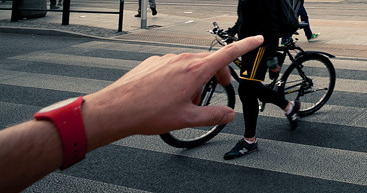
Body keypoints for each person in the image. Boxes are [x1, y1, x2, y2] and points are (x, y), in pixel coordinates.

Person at [0, 33, 265, 192]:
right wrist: (107, 110)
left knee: (253, 90)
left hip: (262, 53)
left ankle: (286, 106)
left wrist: (102, 110)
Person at [224, 0, 302, 160]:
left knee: (247, 90)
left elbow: (270, 27)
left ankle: (250, 141)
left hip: (260, 47)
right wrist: (232, 30)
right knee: (251, 89)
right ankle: (289, 106)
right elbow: (246, 17)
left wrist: (272, 59)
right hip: (248, 44)